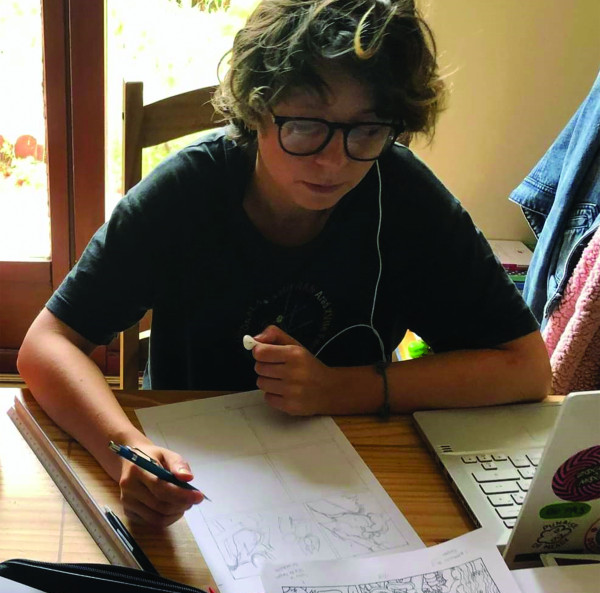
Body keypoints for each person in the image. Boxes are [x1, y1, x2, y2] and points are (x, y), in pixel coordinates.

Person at [17, 0, 552, 527]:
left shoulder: (404, 194)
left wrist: (338, 389)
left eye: (367, 130)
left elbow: (526, 368)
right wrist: (125, 448)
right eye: (304, 126)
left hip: (357, 464)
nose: (333, 162)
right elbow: (46, 344)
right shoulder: (186, 193)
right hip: (198, 471)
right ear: (256, 111)